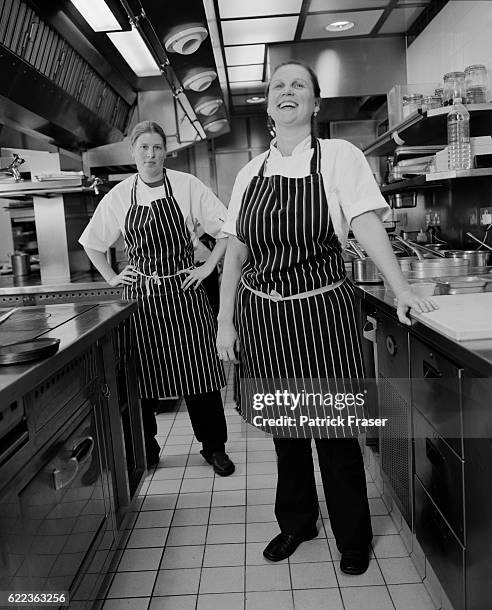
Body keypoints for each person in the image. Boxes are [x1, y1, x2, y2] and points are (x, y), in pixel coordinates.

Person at [216, 61, 437, 574]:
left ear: (315, 104)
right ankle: (297, 522)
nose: (287, 92)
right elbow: (235, 253)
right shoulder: (250, 173)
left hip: (322, 313)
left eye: (299, 85)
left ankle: (352, 536)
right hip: (264, 319)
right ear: (268, 106)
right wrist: (225, 320)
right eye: (278, 87)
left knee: (335, 434)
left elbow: (363, 220)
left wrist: (400, 287)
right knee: (286, 433)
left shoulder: (340, 157)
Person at [80, 120, 234, 476]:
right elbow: (92, 243)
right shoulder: (119, 195)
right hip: (142, 299)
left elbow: (225, 227)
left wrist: (209, 266)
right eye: (144, 148)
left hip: (185, 293)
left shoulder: (186, 185)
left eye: (157, 148)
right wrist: (113, 276)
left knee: (202, 374)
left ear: (166, 152)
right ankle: (146, 449)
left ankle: (214, 448)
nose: (151, 154)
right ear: (133, 151)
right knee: (142, 377)